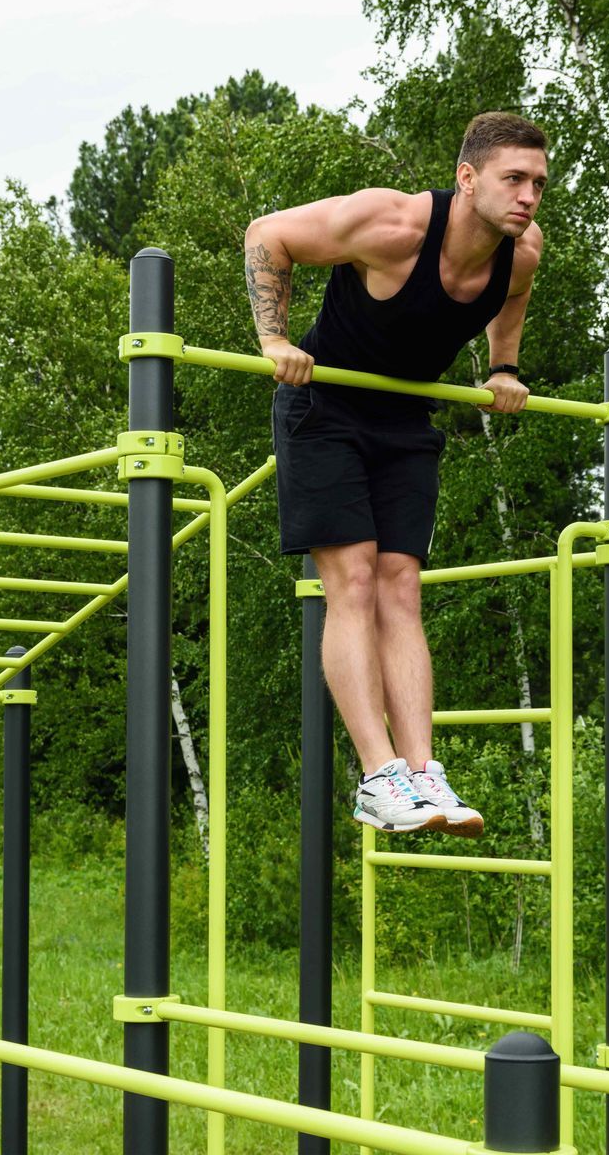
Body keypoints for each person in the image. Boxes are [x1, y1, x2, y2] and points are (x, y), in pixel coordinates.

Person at [244, 111, 547, 837]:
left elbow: (512, 297)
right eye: (513, 179)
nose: (528, 196)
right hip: (325, 406)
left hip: (405, 416)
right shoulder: (393, 224)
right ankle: (379, 777)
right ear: (467, 178)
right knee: (351, 580)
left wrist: (504, 367)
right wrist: (274, 339)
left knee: (400, 585)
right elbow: (267, 233)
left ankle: (422, 771)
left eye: (539, 183)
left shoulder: (523, 252)